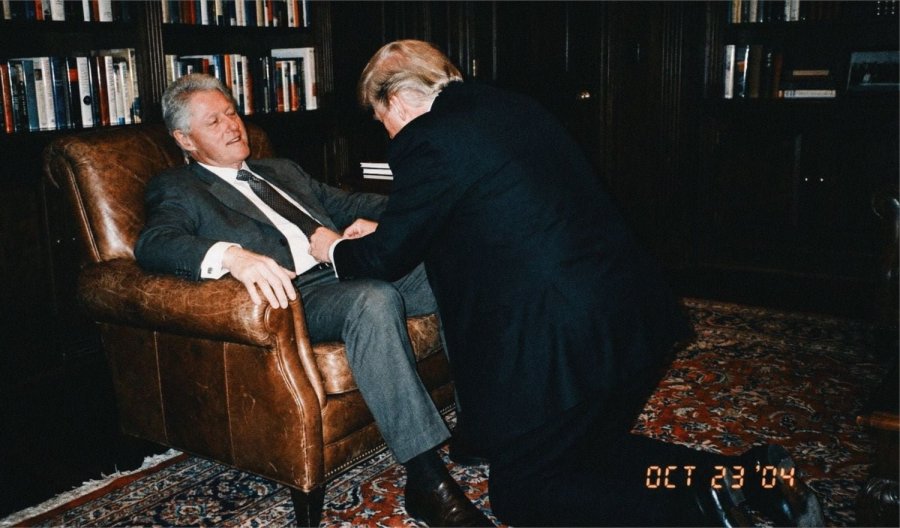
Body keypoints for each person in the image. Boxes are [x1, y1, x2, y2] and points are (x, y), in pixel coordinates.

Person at [309, 40, 826, 527]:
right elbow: (489, 204)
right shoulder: (507, 106)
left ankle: (698, 507)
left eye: (381, 119)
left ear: (396, 99)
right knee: (591, 453)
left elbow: (385, 258)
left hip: (568, 337)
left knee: (525, 492)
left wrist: (331, 246)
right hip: (632, 315)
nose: (388, 133)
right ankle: (754, 478)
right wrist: (394, 227)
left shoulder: (428, 137)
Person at [134, 73, 491, 528]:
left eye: (231, 113)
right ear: (185, 139)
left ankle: (479, 424)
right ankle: (425, 478)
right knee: (373, 299)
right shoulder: (179, 188)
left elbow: (348, 204)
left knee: (453, 265)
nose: (232, 126)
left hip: (346, 268)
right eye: (213, 121)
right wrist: (233, 256)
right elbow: (154, 243)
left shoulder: (280, 170)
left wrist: (421, 210)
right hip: (300, 295)